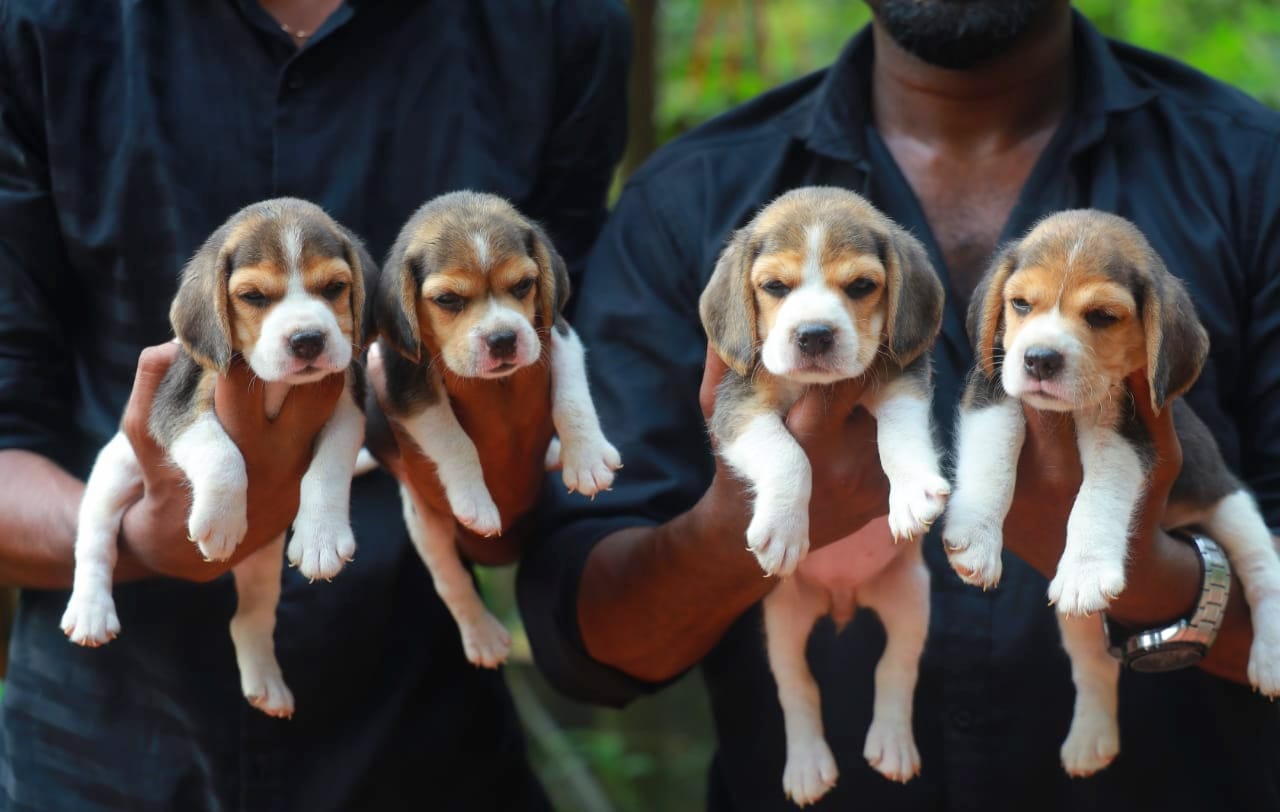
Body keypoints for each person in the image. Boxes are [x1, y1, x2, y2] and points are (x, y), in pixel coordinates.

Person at [519, 1, 1280, 809]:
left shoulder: (1252, 174)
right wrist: (742, 516)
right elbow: (584, 634)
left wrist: (1150, 579)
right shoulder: (691, 199)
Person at [0, 1, 628, 809]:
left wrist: (455, 447)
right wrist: (140, 541)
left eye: (337, 291)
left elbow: (527, 487)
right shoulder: (34, 23)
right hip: (102, 741)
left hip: (421, 728)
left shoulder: (559, 27)